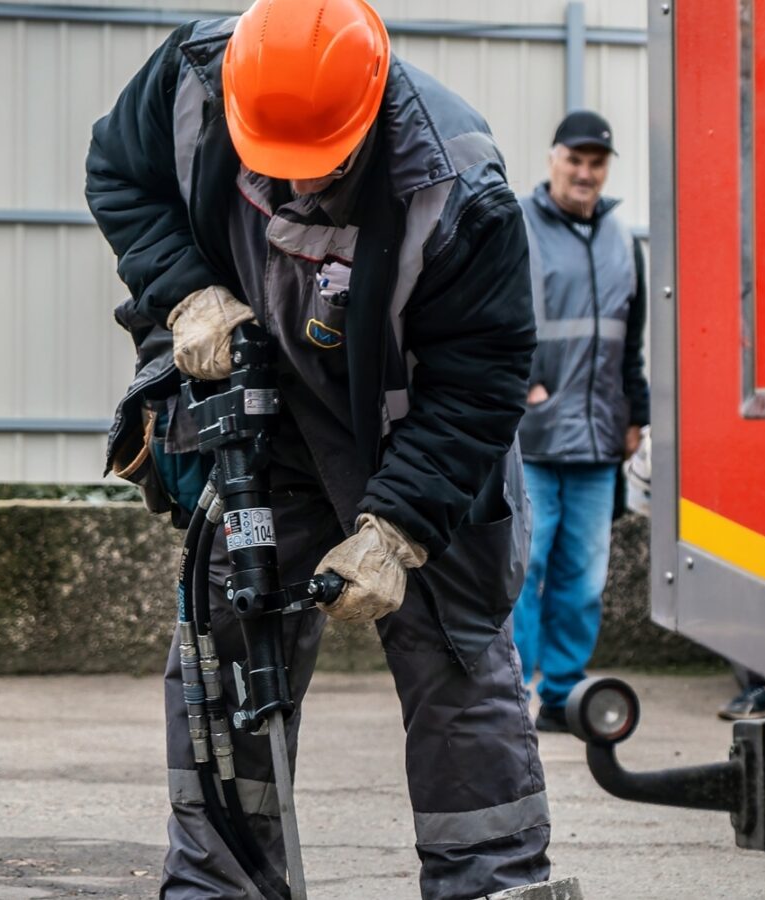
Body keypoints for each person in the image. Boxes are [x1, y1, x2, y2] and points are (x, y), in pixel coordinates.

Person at [85, 1, 555, 896]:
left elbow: (484, 378)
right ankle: (220, 886)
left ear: (370, 109)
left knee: (459, 662)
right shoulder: (192, 78)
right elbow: (118, 174)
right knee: (226, 649)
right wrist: (186, 293)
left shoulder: (457, 187)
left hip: (417, 433)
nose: (295, 189)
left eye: (319, 168)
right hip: (265, 416)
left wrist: (397, 530)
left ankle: (490, 887)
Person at [513, 110, 650, 732]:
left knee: (585, 577)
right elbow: (494, 318)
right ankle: (508, 694)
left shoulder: (624, 238)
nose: (585, 172)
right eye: (576, 159)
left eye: (597, 163)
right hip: (533, 435)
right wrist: (523, 387)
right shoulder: (520, 226)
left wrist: (636, 414)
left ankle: (562, 695)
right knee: (525, 568)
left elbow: (632, 337)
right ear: (553, 159)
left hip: (598, 440)